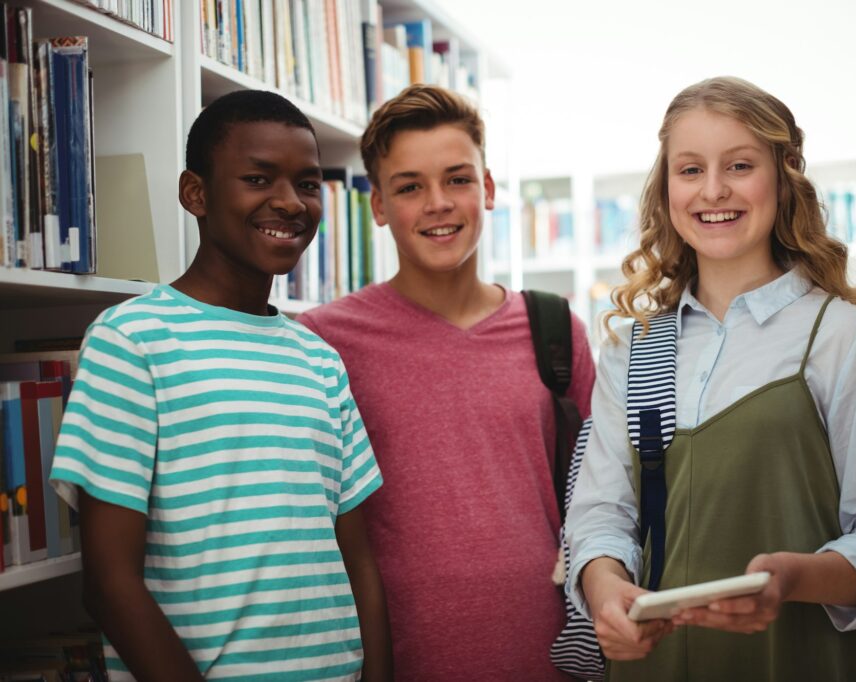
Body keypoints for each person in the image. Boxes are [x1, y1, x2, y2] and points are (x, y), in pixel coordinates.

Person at [565, 76, 856, 681]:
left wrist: (795, 577)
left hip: (797, 661)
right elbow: (601, 517)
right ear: (665, 187)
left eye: (740, 165)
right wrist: (602, 589)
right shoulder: (636, 348)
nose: (713, 190)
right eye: (690, 169)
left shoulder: (840, 338)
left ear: (783, 177)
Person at [48, 90, 391, 682]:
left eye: (308, 184)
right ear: (196, 194)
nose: (289, 202)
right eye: (259, 178)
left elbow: (356, 558)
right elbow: (109, 584)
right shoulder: (132, 340)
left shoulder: (320, 359)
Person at [298, 84, 596, 681]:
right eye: (410, 187)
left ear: (487, 190)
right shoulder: (322, 342)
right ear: (379, 206)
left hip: (548, 658)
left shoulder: (556, 329)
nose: (438, 202)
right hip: (395, 660)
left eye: (457, 179)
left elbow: (602, 501)